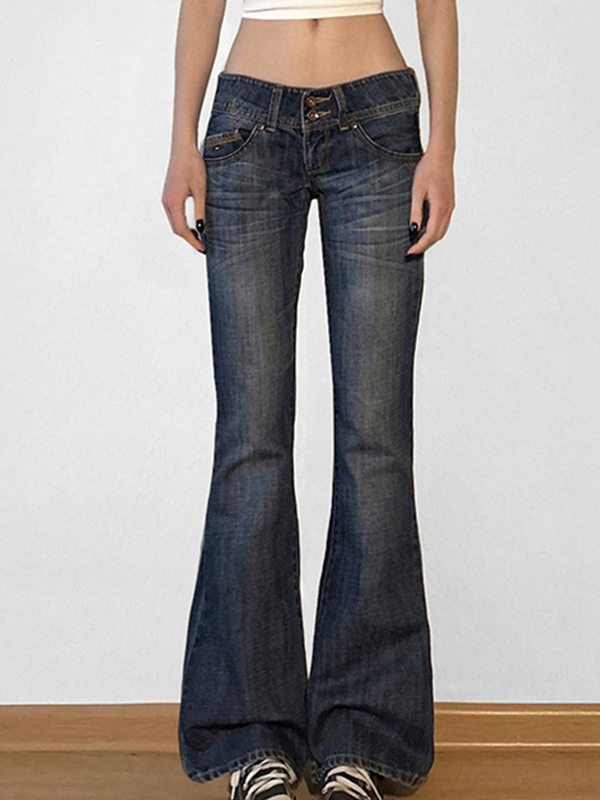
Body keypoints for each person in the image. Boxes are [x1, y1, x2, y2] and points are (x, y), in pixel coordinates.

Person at [161, 0, 458, 799]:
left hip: (379, 124)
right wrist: (182, 139)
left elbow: (437, 4)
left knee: (376, 446)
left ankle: (360, 737)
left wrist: (442, 148)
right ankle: (252, 737)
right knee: (251, 444)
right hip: (248, 125)